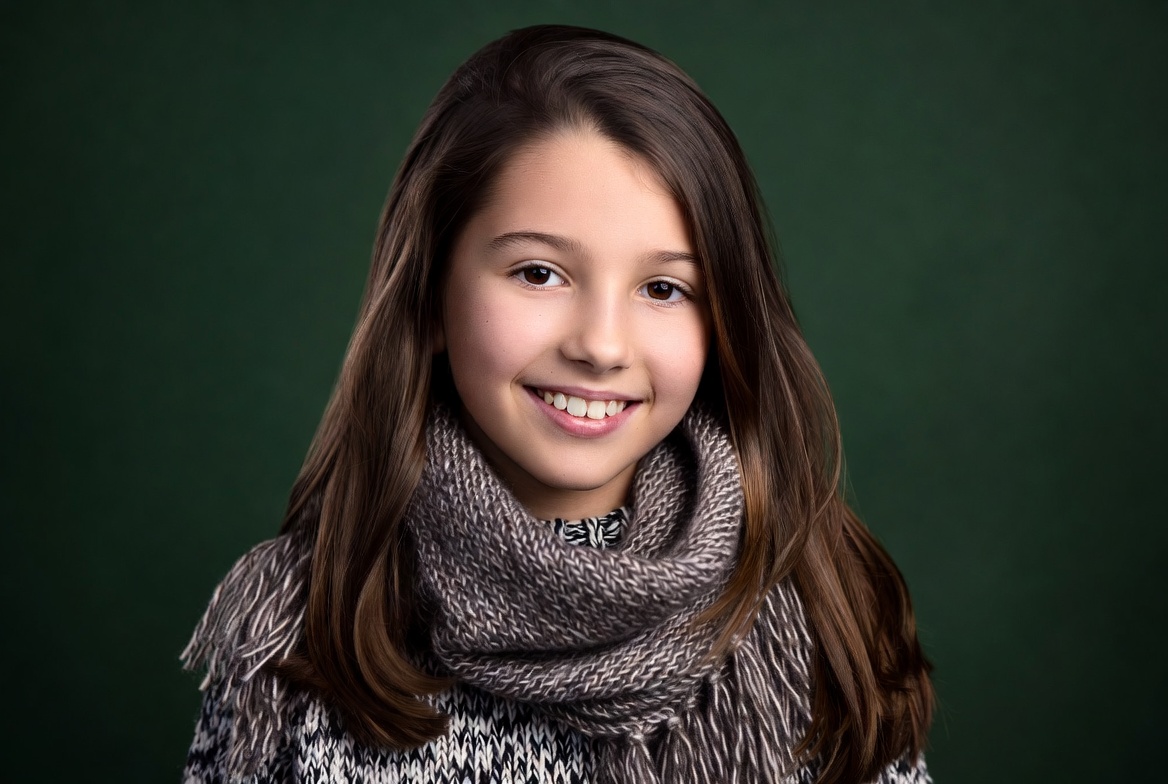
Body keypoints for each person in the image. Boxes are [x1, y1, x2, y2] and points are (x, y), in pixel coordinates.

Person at [181, 24, 935, 784]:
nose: (602, 346)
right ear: (430, 297)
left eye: (664, 289)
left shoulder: (820, 614)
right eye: (540, 273)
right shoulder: (292, 628)